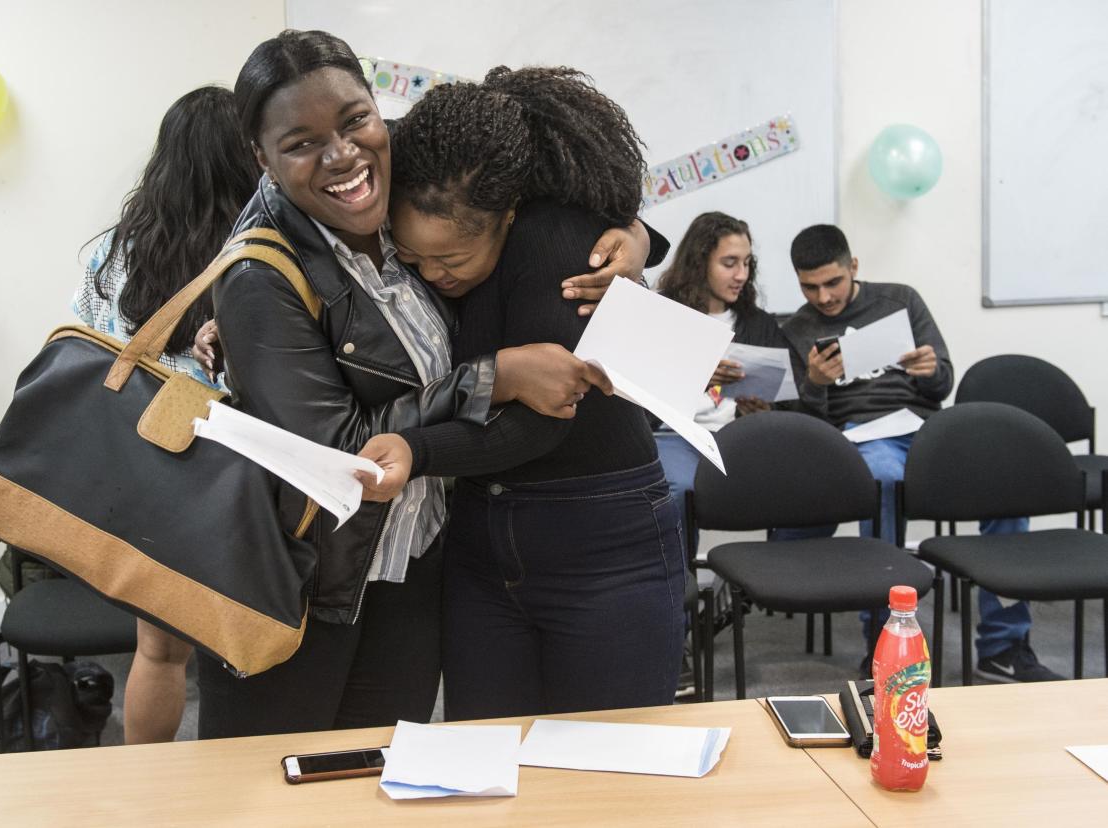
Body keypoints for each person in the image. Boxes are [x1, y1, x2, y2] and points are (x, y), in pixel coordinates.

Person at [196, 30, 662, 738]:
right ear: (262, 157)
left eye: (355, 121)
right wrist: (495, 378)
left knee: (404, 772)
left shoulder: (405, 171)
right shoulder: (265, 270)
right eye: (300, 143)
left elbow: (546, 173)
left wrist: (634, 233)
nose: (342, 154)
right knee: (287, 786)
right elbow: (342, 452)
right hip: (317, 582)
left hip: (425, 562)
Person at [357, 65, 685, 720]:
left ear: (506, 214)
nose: (432, 275)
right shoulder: (426, 197)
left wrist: (414, 450)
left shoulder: (555, 239)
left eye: (450, 260)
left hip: (599, 535)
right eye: (415, 259)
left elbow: (541, 424)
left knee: (606, 772)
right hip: (482, 534)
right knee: (488, 760)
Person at [779, 224, 1061, 683]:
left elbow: (943, 382)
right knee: (884, 479)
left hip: (926, 428)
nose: (824, 297)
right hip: (861, 436)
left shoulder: (901, 299)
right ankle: (885, 639)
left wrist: (930, 372)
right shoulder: (796, 330)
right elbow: (809, 426)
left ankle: (1005, 645)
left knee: (1004, 482)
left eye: (833, 282)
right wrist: (817, 385)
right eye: (810, 287)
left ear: (854, 267)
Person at [73, 85, 258, 743]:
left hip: (151, 473)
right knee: (256, 654)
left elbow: (89, 362)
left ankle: (146, 800)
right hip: (247, 476)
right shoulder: (265, 251)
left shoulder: (111, 255)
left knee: (158, 652)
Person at [651, 211, 802, 551]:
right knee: (676, 490)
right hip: (675, 435)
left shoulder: (758, 322)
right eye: (730, 263)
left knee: (807, 483)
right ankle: (681, 587)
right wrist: (694, 378)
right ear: (700, 262)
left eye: (747, 263)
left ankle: (771, 577)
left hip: (739, 437)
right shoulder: (662, 316)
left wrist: (762, 410)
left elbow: (788, 399)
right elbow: (638, 403)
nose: (741, 275)